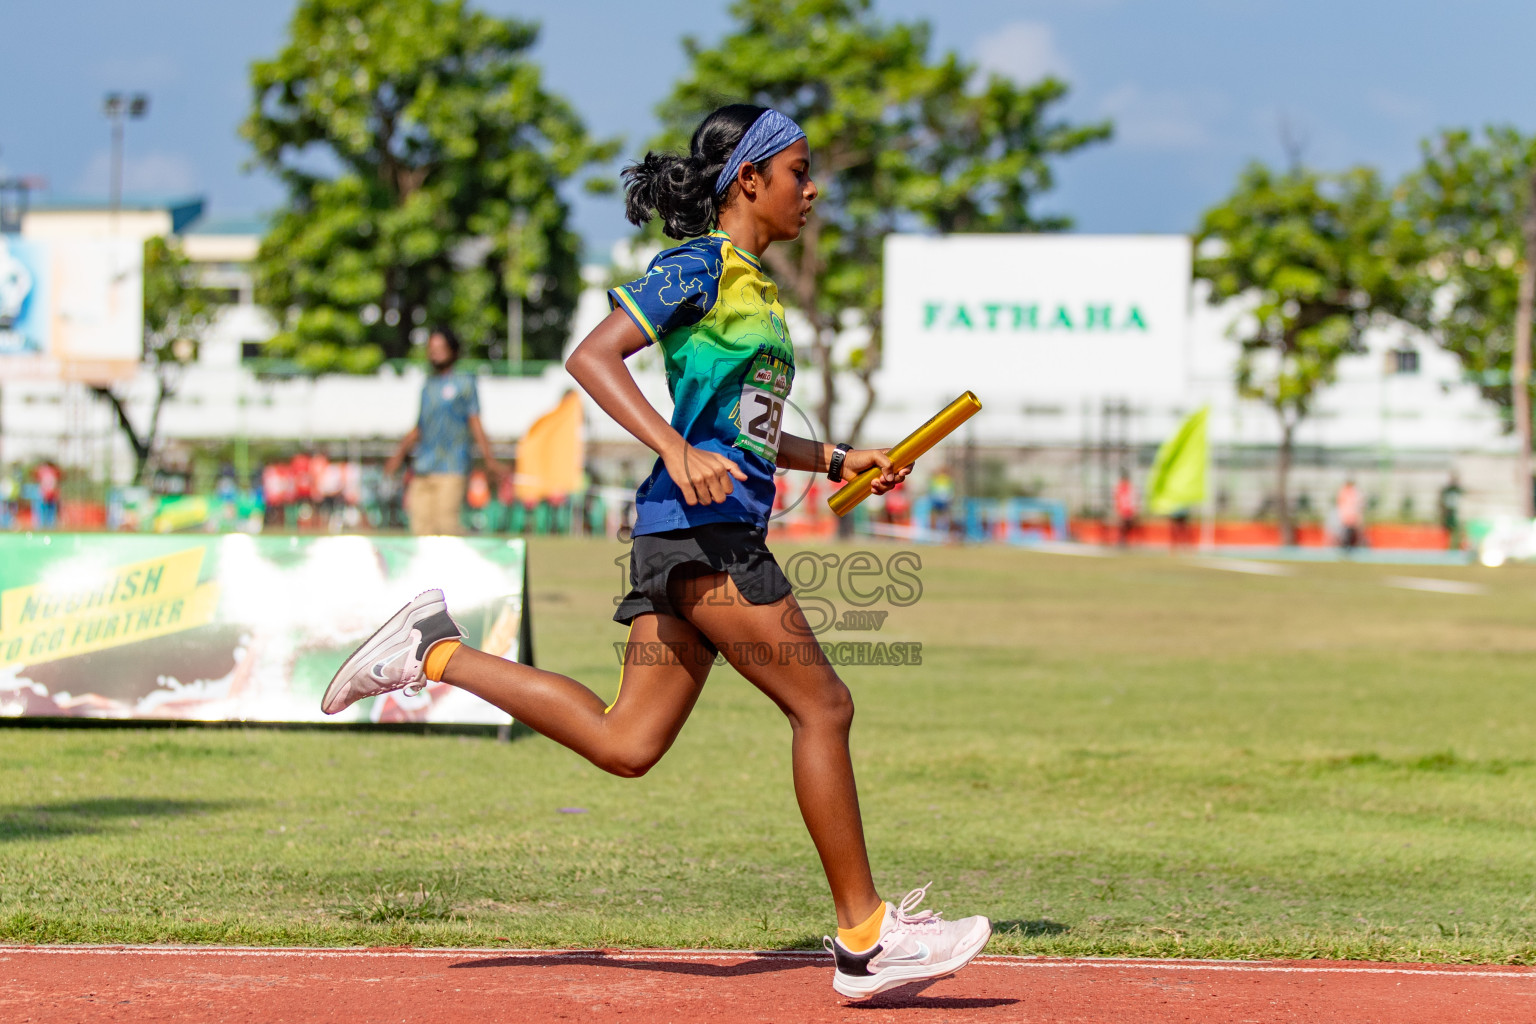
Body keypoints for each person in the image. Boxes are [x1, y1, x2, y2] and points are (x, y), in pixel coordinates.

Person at [320, 105, 991, 1000]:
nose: (813, 188)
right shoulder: (699, 269)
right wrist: (673, 451)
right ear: (748, 178)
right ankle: (866, 937)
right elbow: (593, 358)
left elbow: (741, 431)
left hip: (694, 531)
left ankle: (431, 649)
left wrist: (835, 458)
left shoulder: (754, 284)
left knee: (626, 742)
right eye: (798, 171)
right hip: (697, 532)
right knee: (823, 707)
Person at [384, 327, 506, 535]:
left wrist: (489, 459)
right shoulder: (427, 386)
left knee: (447, 526)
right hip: (423, 466)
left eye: (441, 347)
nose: (435, 352)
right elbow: (420, 427)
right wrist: (398, 455)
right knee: (420, 529)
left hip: (453, 466)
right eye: (432, 348)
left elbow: (475, 422)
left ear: (453, 350)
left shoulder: (465, 383)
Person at [1336, 478, 1363, 554]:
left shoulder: (1354, 492)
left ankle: (1350, 546)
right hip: (1346, 513)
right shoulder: (1344, 491)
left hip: (1351, 514)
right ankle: (1345, 546)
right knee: (1346, 531)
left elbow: (1358, 503)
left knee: (1351, 531)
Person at [1438, 473, 1464, 551]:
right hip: (1449, 513)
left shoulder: (1454, 489)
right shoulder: (1449, 490)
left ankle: (1453, 547)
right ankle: (1450, 547)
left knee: (1454, 531)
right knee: (1451, 531)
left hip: (1452, 513)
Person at [1113, 470, 1136, 547]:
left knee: (1125, 525)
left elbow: (1131, 499)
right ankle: (1121, 540)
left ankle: (1123, 540)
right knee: (1122, 525)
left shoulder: (1129, 487)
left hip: (1128, 510)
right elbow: (1118, 499)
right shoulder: (1120, 488)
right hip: (1123, 510)